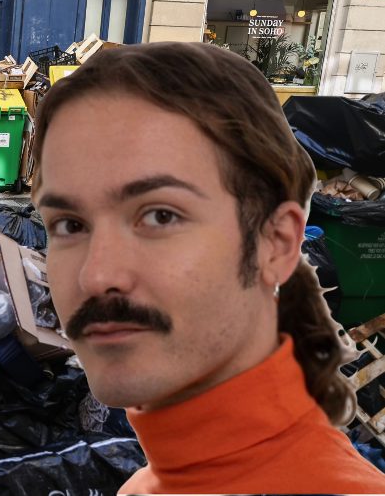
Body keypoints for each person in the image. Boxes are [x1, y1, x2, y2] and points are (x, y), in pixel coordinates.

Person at [32, 41, 385, 494]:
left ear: (275, 244)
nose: (96, 277)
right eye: (70, 224)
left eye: (160, 215)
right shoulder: (149, 483)